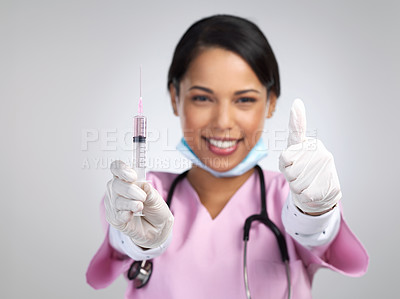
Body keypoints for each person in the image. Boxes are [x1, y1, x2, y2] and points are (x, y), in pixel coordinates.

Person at [86, 15, 368, 299]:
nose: (222, 122)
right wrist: (137, 240)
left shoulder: (294, 194)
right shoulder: (144, 192)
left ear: (271, 102)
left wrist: (314, 213)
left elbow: (318, 234)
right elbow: (123, 241)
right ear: (175, 97)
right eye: (202, 98)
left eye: (244, 99)